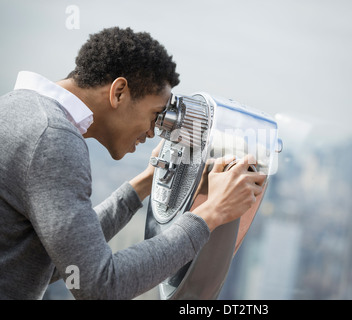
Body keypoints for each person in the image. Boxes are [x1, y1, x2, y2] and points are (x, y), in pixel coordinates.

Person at [0, 27, 266, 300]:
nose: (152, 132)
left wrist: (146, 181)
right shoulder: (53, 138)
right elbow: (101, 286)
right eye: (154, 115)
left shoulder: (19, 109)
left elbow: (64, 261)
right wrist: (212, 213)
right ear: (119, 92)